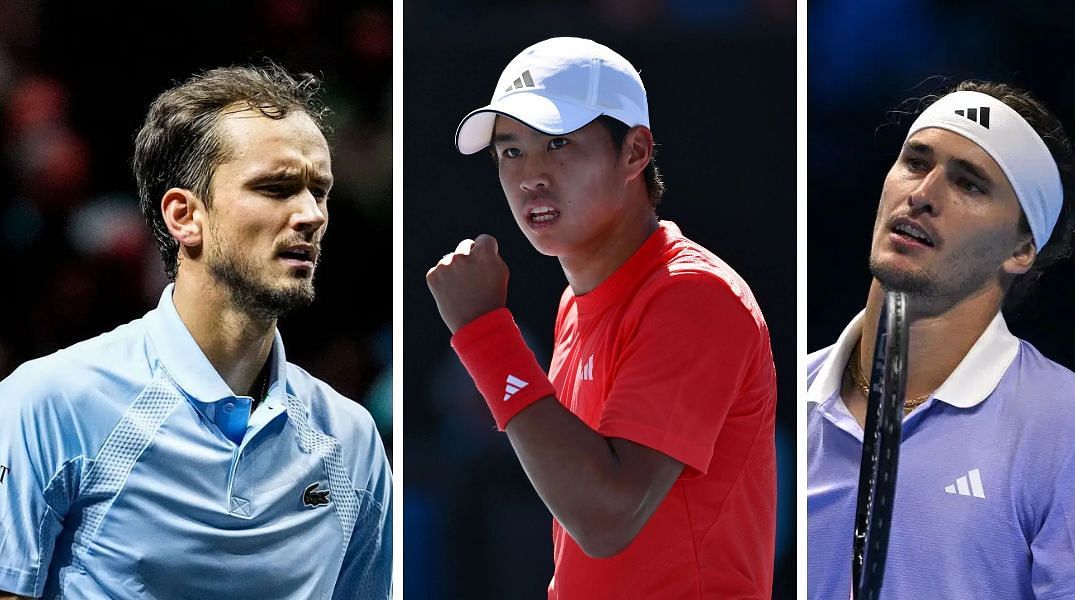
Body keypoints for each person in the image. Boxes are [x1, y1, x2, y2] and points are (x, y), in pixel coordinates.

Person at [0, 63, 391, 599]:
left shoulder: (352, 440)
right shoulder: (48, 402)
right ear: (185, 216)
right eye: (276, 188)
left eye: (318, 191)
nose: (310, 215)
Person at [426, 37, 778, 598]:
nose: (530, 177)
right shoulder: (578, 304)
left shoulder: (695, 295)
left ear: (636, 153)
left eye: (558, 143)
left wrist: (484, 334)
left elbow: (605, 517)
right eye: (511, 151)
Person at [806, 81, 1075, 598]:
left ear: (1021, 248)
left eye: (969, 185)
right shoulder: (783, 391)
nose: (922, 195)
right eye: (915, 161)